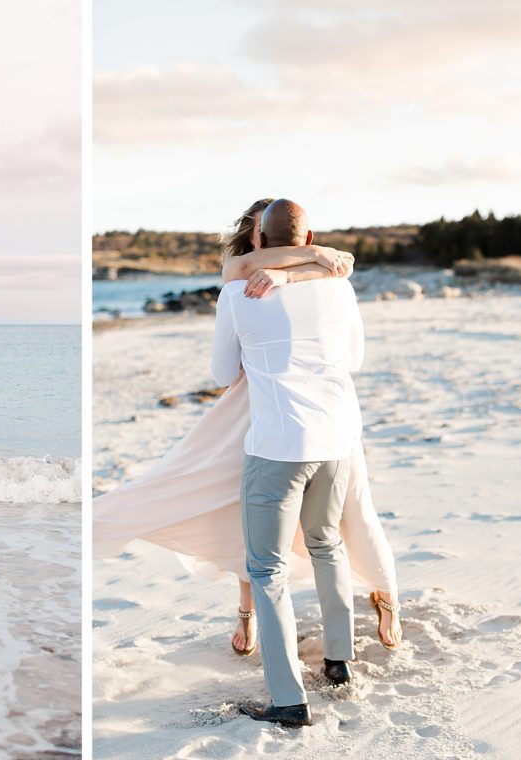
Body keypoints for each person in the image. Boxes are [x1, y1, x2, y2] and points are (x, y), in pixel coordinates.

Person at [92, 198, 401, 666]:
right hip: (298, 418)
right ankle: (311, 646)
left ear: (261, 238)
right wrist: (307, 265)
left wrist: (288, 278)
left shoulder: (263, 289)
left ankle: (377, 606)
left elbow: (222, 371)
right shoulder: (306, 280)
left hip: (296, 421)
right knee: (283, 527)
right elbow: (349, 353)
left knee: (342, 524)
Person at [211, 198, 365, 727]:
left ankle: (287, 700)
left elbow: (220, 371)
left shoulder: (237, 291)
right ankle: (339, 665)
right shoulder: (339, 285)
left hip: (277, 445)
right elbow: (357, 360)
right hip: (335, 441)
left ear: (256, 241)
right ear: (310, 238)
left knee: (267, 568)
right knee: (327, 544)